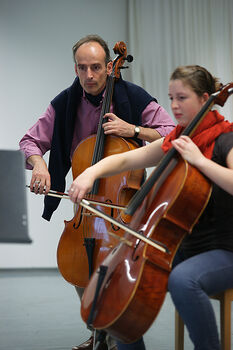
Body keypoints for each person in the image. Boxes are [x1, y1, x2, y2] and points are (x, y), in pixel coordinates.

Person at [19, 34, 175, 350]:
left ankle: (120, 332)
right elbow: (30, 142)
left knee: (116, 273)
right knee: (80, 268)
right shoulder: (64, 102)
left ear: (108, 67)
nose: (89, 76)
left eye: (95, 68)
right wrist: (39, 165)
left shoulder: (133, 96)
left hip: (124, 204)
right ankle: (99, 332)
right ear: (75, 69)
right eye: (81, 68)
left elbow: (171, 134)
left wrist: (132, 130)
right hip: (87, 206)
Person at [68, 65, 233, 350]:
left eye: (182, 98)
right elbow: (127, 160)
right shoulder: (180, 139)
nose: (174, 105)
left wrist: (200, 161)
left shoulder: (225, 139)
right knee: (118, 289)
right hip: (186, 247)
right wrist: (90, 173)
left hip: (226, 250)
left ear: (205, 97)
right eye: (171, 97)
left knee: (183, 280)